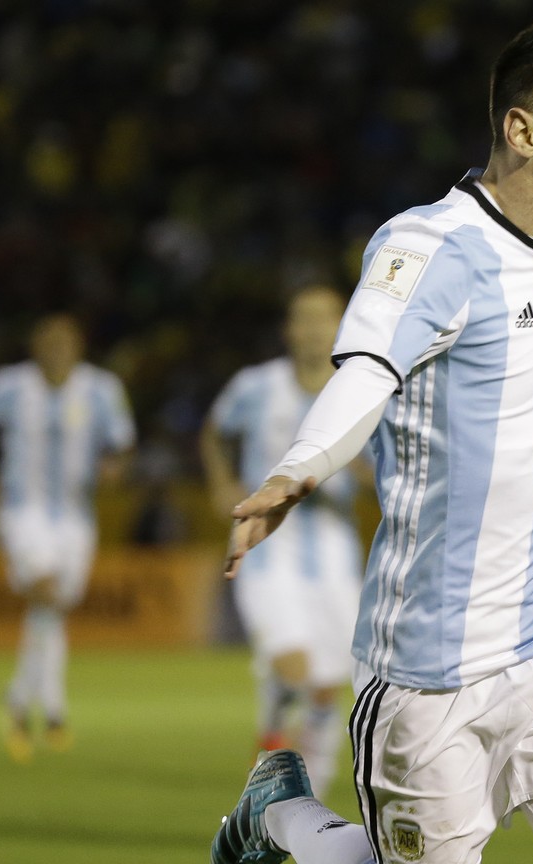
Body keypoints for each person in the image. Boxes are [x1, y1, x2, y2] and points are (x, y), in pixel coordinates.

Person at [210, 21, 533, 864]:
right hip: (430, 665)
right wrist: (298, 470)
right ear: (522, 130)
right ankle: (283, 812)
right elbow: (363, 373)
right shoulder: (427, 247)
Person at [200, 283, 366, 794]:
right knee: (294, 668)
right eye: (304, 318)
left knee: (324, 687)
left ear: (344, 325)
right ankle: (276, 761)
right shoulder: (257, 385)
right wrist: (222, 483)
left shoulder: (362, 387)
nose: (315, 329)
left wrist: (355, 468)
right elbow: (214, 431)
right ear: (288, 330)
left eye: (325, 318)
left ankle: (303, 790)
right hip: (268, 552)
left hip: (336, 553)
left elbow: (383, 467)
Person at [0, 313, 135, 762]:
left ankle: (20, 701)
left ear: (78, 347)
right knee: (47, 594)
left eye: (64, 342)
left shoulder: (101, 389)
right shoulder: (11, 385)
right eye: (48, 341)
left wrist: (115, 467)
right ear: (35, 346)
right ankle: (52, 709)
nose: (56, 349)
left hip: (76, 516)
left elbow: (123, 441)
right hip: (23, 510)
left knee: (51, 610)